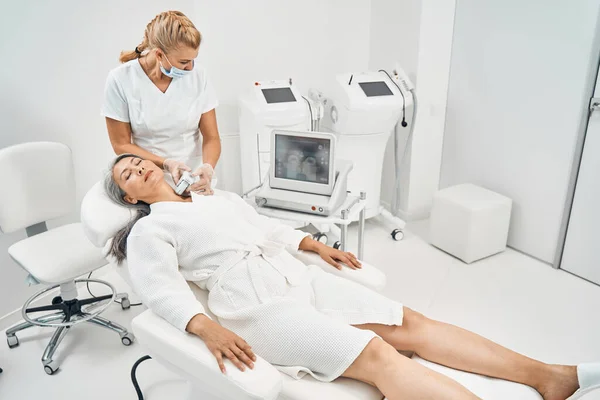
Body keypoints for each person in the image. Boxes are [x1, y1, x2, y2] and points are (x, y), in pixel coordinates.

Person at [104, 153, 596, 400]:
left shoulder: (216, 198)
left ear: (157, 164)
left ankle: (550, 377)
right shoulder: (151, 229)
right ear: (130, 197)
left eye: (137, 162)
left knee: (412, 324)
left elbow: (266, 227)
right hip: (257, 309)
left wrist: (315, 245)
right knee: (380, 355)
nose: (135, 169)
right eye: (125, 174)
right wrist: (206, 326)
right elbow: (159, 288)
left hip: (295, 277)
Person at [102, 11, 219, 195]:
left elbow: (211, 137)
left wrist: (208, 167)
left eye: (193, 60)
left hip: (195, 180)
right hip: (152, 183)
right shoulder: (121, 79)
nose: (190, 68)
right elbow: (121, 145)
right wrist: (166, 163)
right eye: (183, 62)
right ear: (158, 54)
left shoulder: (199, 76)